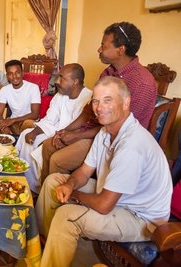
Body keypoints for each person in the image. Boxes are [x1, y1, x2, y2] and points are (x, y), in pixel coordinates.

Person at [35, 76, 172, 267]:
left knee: (66, 216)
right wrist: (69, 184)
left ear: (126, 103)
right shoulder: (105, 132)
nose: (99, 107)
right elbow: (84, 171)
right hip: (116, 196)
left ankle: (53, 258)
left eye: (108, 100)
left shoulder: (132, 144)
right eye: (96, 101)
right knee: (53, 182)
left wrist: (73, 194)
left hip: (140, 218)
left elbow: (104, 205)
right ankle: (46, 245)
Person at [39, 21, 157, 182]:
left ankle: (60, 201)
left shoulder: (141, 82)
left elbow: (120, 129)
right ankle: (44, 192)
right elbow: (88, 110)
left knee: (57, 160)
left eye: (103, 45)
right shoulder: (108, 73)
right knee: (48, 145)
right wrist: (65, 131)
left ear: (120, 49)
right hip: (92, 132)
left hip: (110, 141)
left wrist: (76, 136)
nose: (99, 49)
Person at [15, 63, 92, 193]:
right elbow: (50, 119)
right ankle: (25, 180)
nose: (57, 81)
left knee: (44, 145)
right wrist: (34, 132)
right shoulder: (60, 95)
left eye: (62, 78)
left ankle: (38, 188)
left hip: (75, 138)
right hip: (54, 130)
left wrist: (62, 136)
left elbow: (84, 128)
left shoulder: (89, 97)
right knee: (26, 135)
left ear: (75, 82)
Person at [0, 60, 41, 135]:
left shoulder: (33, 88)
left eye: (17, 72)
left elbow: (35, 114)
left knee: (28, 125)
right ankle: (6, 146)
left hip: (28, 120)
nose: (14, 76)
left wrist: (13, 120)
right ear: (7, 76)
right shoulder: (4, 90)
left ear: (22, 73)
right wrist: (4, 127)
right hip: (12, 123)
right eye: (10, 74)